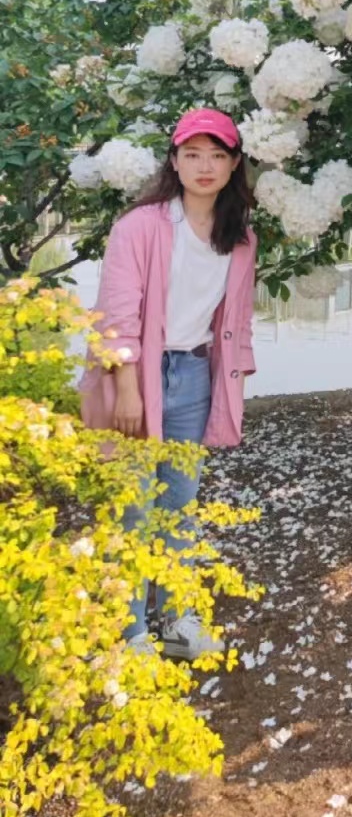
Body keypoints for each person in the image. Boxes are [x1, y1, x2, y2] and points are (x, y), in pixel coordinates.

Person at [79, 108, 257, 659]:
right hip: (136, 375)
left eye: (217, 155)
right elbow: (117, 314)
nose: (205, 166)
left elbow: (234, 321)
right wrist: (128, 388)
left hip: (194, 375)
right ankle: (131, 633)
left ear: (233, 166)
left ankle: (177, 621)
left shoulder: (240, 239)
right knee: (134, 507)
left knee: (179, 505)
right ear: (174, 161)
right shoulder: (140, 226)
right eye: (192, 154)